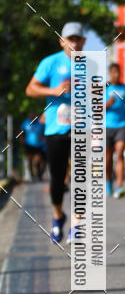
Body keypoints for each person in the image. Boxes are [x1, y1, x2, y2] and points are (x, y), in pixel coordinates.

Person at [25, 22, 87, 243]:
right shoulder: (50, 63)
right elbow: (30, 88)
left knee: (82, 178)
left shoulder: (92, 65)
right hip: (55, 130)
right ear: (62, 41)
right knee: (57, 180)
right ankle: (58, 217)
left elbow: (99, 98)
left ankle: (78, 224)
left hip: (82, 129)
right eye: (69, 38)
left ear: (84, 42)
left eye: (77, 39)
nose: (74, 42)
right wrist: (54, 90)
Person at [105, 62, 125, 198]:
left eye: (118, 72)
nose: (116, 75)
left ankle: (120, 186)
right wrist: (107, 105)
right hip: (106, 125)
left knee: (120, 153)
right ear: (110, 73)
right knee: (108, 157)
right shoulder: (104, 88)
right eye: (114, 72)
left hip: (122, 124)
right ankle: (108, 181)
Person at [20, 111, 46, 180]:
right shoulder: (26, 123)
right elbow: (21, 131)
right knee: (30, 160)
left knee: (38, 160)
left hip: (38, 144)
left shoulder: (40, 123)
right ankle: (32, 176)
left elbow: (44, 130)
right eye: (30, 117)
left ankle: (39, 174)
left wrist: (43, 136)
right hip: (28, 144)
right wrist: (21, 139)